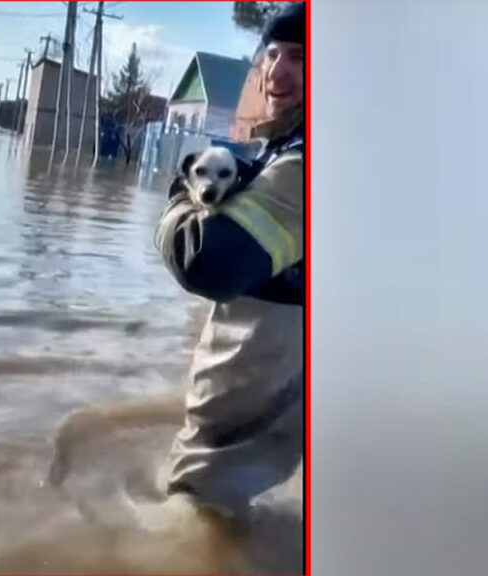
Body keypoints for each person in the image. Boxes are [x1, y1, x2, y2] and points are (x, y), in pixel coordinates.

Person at [153, 3, 306, 521]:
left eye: (302, 59)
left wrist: (178, 196)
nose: (279, 72)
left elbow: (209, 263)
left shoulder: (304, 163)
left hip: (253, 383)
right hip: (261, 383)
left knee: (193, 511)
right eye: (273, 54)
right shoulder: (276, 151)